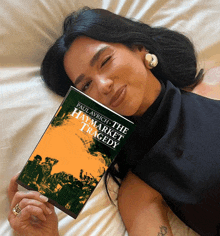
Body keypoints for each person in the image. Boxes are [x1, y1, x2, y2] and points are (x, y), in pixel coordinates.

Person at [7, 7, 220, 236]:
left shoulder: (215, 84)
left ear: (139, 48)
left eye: (105, 61)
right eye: (86, 86)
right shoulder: (138, 191)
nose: (103, 85)